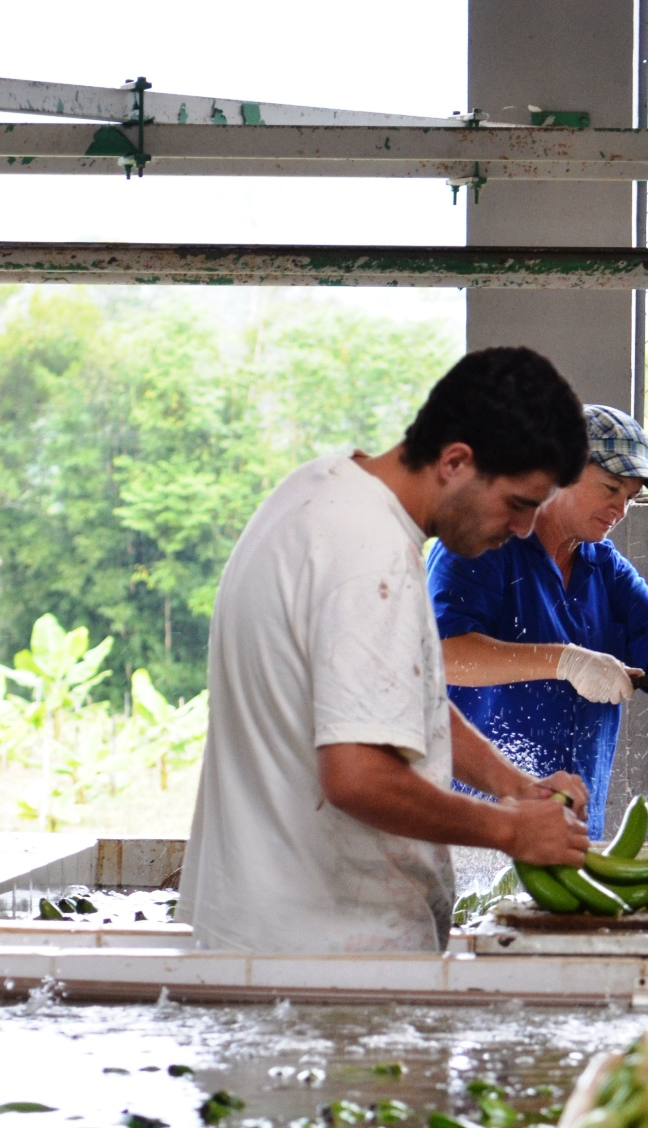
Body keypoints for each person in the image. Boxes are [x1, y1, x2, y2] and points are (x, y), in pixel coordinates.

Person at [178, 347, 592, 955]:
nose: (524, 530)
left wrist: (512, 785)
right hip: (325, 962)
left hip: (265, 938)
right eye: (518, 504)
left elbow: (400, 697)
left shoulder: (317, 494)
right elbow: (356, 777)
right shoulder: (371, 558)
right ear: (456, 460)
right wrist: (509, 831)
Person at [426, 404, 648, 841]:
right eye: (610, 488)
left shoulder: (604, 565)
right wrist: (566, 661)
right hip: (477, 821)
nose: (620, 508)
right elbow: (441, 655)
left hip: (571, 821)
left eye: (629, 497)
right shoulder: (481, 541)